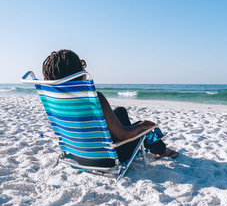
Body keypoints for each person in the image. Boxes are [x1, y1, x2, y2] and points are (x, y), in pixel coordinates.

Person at [42, 49, 178, 166]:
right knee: (145, 129)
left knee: (120, 111)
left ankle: (150, 147)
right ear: (77, 71)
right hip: (106, 159)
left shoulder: (53, 99)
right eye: (81, 64)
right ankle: (165, 152)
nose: (84, 68)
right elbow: (123, 134)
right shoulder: (94, 98)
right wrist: (142, 126)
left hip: (78, 155)